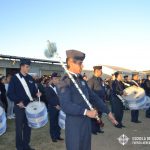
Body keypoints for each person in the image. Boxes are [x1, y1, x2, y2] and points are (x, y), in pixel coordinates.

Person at [57, 49, 118, 150]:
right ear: (70, 63)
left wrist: (108, 112)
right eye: (80, 63)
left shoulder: (81, 80)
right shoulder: (64, 82)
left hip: (86, 123)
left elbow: (94, 97)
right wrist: (86, 112)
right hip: (74, 124)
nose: (83, 66)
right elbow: (66, 105)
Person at [7, 59, 41, 150]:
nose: (28, 68)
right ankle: (19, 147)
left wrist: (37, 94)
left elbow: (33, 92)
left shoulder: (30, 78)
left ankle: (26, 145)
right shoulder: (15, 78)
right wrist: (18, 101)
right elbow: (10, 93)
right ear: (21, 66)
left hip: (29, 106)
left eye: (29, 66)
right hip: (19, 107)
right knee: (19, 128)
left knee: (28, 126)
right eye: (27, 66)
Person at [45, 72, 63, 142]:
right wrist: (56, 105)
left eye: (58, 79)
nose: (57, 80)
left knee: (58, 122)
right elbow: (49, 98)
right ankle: (53, 137)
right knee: (53, 123)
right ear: (52, 79)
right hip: (52, 108)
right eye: (56, 79)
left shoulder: (58, 87)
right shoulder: (48, 87)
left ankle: (58, 135)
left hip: (59, 107)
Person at [88, 65, 105, 134]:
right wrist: (92, 104)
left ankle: (98, 129)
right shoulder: (91, 80)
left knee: (99, 115)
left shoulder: (100, 79)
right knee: (94, 116)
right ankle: (93, 130)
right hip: (94, 103)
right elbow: (89, 92)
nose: (102, 72)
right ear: (97, 71)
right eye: (101, 71)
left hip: (100, 101)